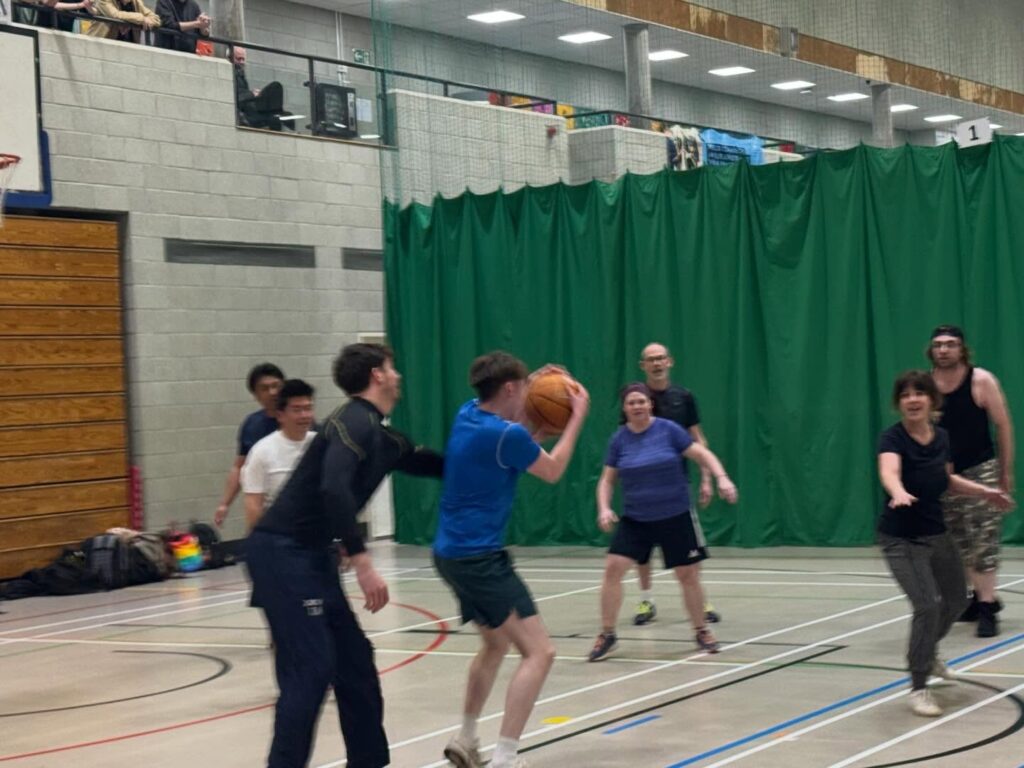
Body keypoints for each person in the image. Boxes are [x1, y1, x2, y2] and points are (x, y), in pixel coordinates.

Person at [247, 343, 443, 768]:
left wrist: (507, 445)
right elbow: (333, 488)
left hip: (312, 558)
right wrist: (363, 560)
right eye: (392, 367)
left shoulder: (381, 434)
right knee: (312, 670)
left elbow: (431, 463)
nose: (398, 375)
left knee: (354, 664)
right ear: (377, 375)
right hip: (283, 553)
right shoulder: (352, 420)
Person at [434, 352, 589, 768]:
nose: (527, 393)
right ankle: (506, 756)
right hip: (479, 558)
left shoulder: (467, 414)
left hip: (449, 554)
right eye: (523, 387)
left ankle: (466, 737)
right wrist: (576, 417)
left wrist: (535, 382)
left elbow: (518, 442)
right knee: (540, 652)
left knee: (495, 644)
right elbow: (553, 470)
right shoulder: (507, 436)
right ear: (508, 389)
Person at [877, 370, 1014, 717]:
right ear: (899, 403)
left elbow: (947, 478)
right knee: (926, 605)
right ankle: (918, 685)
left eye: (919, 393)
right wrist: (898, 492)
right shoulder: (892, 439)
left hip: (936, 532)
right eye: (905, 394)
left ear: (931, 401)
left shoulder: (940, 437)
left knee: (954, 601)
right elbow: (889, 471)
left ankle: (928, 654)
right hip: (901, 538)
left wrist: (985, 491)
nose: (912, 399)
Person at [589, 383, 737, 662]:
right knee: (613, 568)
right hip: (636, 519)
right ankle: (607, 634)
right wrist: (604, 508)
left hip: (675, 515)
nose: (637, 406)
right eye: (631, 402)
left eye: (641, 401)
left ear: (650, 404)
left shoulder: (669, 430)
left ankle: (701, 630)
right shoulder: (619, 440)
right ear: (625, 408)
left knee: (688, 575)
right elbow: (607, 480)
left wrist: (721, 477)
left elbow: (702, 453)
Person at [929, 325, 1016, 637]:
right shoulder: (926, 386)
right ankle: (979, 600)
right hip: (945, 475)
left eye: (950, 344)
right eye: (938, 344)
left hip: (982, 469)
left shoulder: (981, 380)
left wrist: (1005, 473)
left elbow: (1003, 426)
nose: (944, 350)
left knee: (983, 541)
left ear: (962, 349)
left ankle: (987, 607)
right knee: (957, 543)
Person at [632, 342, 720, 627]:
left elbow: (698, 439)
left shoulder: (684, 397)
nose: (656, 364)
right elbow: (626, 438)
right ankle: (646, 600)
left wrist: (706, 477)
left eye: (660, 359)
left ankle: (701, 601)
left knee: (690, 547)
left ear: (670, 362)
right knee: (642, 550)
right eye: (650, 360)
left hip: (676, 485)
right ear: (642, 365)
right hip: (642, 486)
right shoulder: (636, 398)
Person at [214, 362, 285, 528]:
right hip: (263, 505)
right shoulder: (251, 425)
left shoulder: (299, 421)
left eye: (276, 386)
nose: (272, 392)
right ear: (255, 395)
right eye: (265, 388)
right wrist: (225, 504)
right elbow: (239, 467)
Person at [240, 379, 316, 532]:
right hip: (281, 537)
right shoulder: (262, 451)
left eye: (308, 408)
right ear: (280, 415)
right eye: (297, 410)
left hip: (317, 534)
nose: (304, 415)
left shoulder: (322, 444)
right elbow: (253, 504)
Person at [231, 47, 290, 130]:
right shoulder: (231, 74)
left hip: (252, 110)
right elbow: (234, 97)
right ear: (230, 58)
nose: (241, 62)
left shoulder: (240, 75)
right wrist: (252, 94)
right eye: (238, 59)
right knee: (275, 87)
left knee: (275, 90)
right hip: (248, 113)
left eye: (243, 59)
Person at [86, 0, 159, 42]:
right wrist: (141, 18)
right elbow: (115, 15)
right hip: (100, 43)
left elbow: (156, 19)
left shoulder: (136, 2)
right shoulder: (104, 1)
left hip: (128, 46)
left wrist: (149, 20)